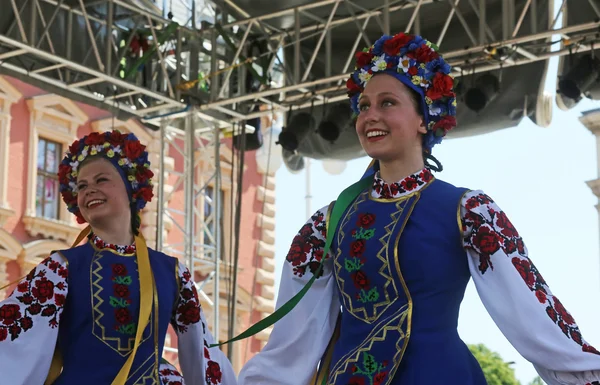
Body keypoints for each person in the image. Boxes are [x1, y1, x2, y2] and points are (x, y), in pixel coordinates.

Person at [238, 32, 600, 385]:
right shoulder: (328, 224)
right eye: (364, 106)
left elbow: (532, 311)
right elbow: (292, 342)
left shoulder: (468, 211)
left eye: (387, 103)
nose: (370, 116)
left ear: (424, 119)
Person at [0, 130, 237, 385]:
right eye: (81, 186)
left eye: (101, 180)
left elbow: (200, 352)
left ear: (131, 188)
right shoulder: (61, 268)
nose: (89, 189)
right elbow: (13, 334)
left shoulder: (173, 272)